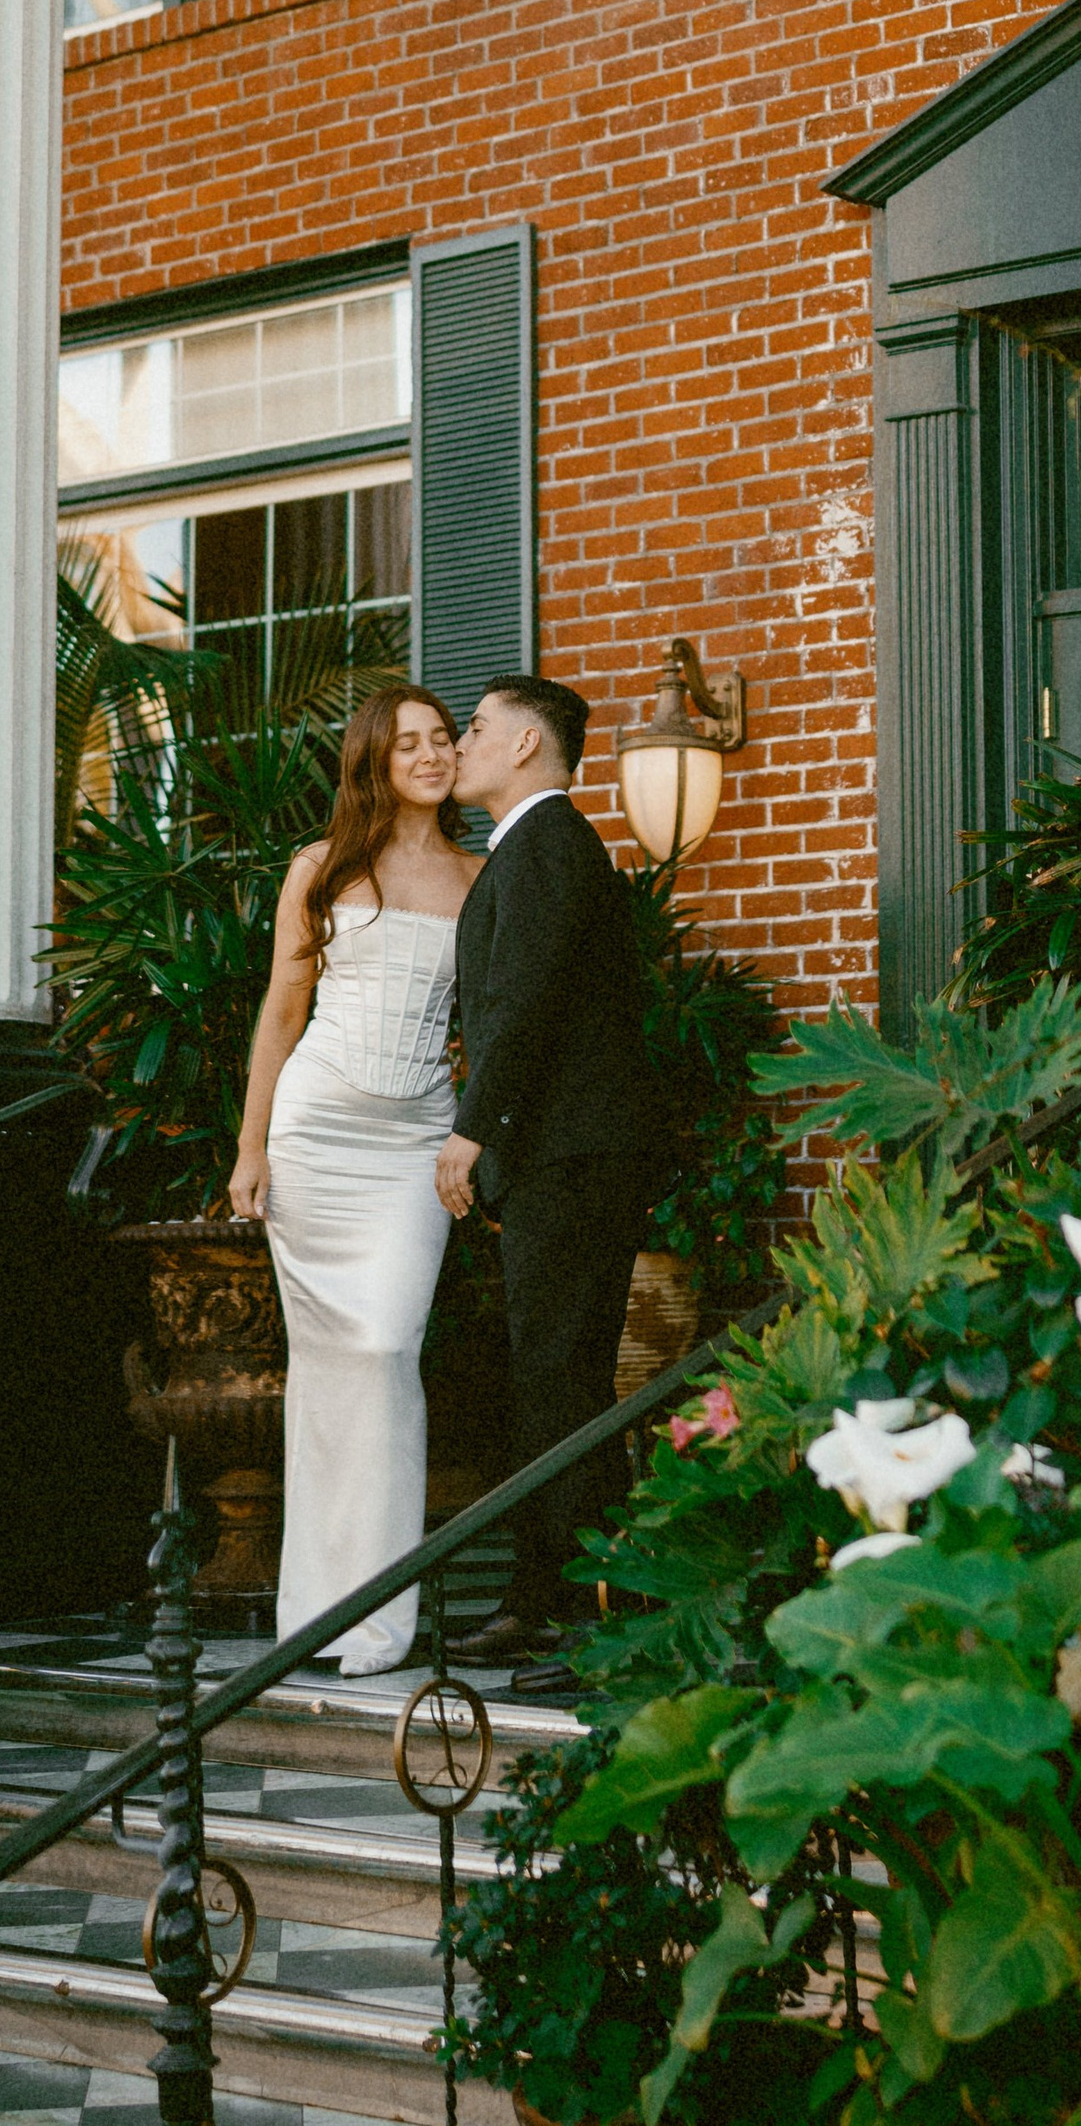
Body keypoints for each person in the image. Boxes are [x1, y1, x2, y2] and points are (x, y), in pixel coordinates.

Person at [229, 685, 476, 1678]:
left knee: (385, 1349)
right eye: (406, 741)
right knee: (328, 1368)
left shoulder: (480, 875)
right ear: (373, 760)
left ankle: (378, 1614)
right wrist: (251, 1148)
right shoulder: (320, 870)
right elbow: (281, 1013)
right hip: (318, 1133)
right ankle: (314, 1609)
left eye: (440, 737)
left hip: (414, 1139)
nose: (428, 753)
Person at [438, 673, 660, 1669]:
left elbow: (522, 1003)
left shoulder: (547, 842)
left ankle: (567, 1605)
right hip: (568, 1151)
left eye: (478, 727)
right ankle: (561, 1595)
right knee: (555, 1373)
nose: (464, 743)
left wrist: (473, 1129)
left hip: (571, 1151)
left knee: (558, 1374)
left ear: (528, 743)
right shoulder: (537, 847)